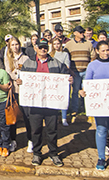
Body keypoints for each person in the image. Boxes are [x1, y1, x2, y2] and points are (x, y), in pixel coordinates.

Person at [15, 38, 73, 167]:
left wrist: (69, 79)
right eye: (40, 47)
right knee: (36, 130)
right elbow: (21, 78)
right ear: (36, 48)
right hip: (35, 103)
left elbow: (65, 75)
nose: (43, 49)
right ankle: (37, 153)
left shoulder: (57, 63)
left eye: (45, 47)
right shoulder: (28, 63)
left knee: (52, 130)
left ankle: (53, 153)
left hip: (51, 103)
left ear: (49, 48)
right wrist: (19, 81)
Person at [80, 41, 109, 171]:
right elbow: (87, 83)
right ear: (97, 51)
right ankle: (101, 158)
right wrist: (83, 91)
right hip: (99, 104)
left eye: (107, 50)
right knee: (101, 129)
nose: (106, 53)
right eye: (103, 50)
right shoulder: (92, 66)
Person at [4, 36, 28, 152]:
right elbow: (8, 72)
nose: (15, 47)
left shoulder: (26, 58)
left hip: (25, 90)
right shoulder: (8, 58)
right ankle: (13, 140)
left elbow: (29, 72)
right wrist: (15, 78)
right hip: (14, 91)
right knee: (12, 117)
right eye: (12, 45)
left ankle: (30, 139)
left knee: (27, 116)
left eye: (16, 44)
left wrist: (23, 79)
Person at [64, 26, 93, 118]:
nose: (82, 34)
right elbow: (66, 58)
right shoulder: (69, 44)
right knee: (75, 91)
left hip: (86, 71)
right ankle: (75, 109)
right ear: (75, 33)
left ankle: (88, 108)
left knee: (87, 90)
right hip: (75, 72)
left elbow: (93, 57)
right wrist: (70, 71)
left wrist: (90, 69)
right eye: (80, 32)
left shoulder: (88, 44)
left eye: (83, 32)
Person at [50, 37, 71, 126]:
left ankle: (64, 118)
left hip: (63, 78)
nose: (56, 46)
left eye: (58, 44)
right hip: (53, 79)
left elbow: (67, 66)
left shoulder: (65, 54)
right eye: (54, 44)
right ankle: (54, 118)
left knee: (63, 98)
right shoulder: (50, 54)